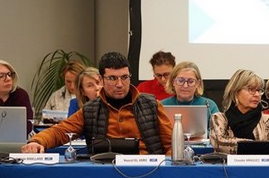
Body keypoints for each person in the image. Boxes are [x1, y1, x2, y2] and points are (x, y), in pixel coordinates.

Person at [22, 52, 172, 154]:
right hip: (105, 172)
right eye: (112, 78)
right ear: (101, 79)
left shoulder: (151, 105)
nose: (120, 84)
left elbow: (171, 144)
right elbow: (61, 130)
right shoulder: (91, 110)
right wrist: (37, 141)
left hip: (148, 170)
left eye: (124, 77)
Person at [210, 69, 269, 154]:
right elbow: (220, 145)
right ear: (236, 92)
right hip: (226, 163)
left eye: (259, 90)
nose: (257, 95)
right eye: (251, 89)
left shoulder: (268, 120)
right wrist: (256, 145)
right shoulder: (219, 119)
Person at [161, 61, 220, 133]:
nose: (185, 86)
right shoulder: (162, 105)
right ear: (173, 82)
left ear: (197, 83)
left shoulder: (209, 105)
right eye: (180, 80)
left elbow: (218, 133)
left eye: (191, 81)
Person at [0, 59, 34, 135]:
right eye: (1, 76)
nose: (8, 79)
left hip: (16, 141)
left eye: (9, 75)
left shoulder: (20, 95)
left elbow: (26, 128)